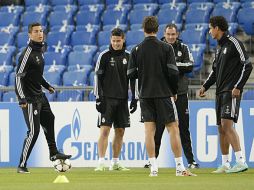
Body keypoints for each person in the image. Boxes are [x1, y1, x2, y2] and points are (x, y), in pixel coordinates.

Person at [127, 16, 196, 177]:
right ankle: (179, 168)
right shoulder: (166, 48)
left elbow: (130, 74)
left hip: (145, 94)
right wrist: (173, 90)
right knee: (173, 128)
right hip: (164, 93)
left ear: (143, 30)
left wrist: (141, 80)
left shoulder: (136, 50)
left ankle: (153, 168)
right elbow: (173, 72)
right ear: (158, 30)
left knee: (149, 131)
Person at [15, 23, 71, 173]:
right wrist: (22, 98)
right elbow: (18, 78)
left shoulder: (41, 49)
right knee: (34, 132)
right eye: (36, 31)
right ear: (29, 34)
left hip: (40, 96)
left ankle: (53, 152)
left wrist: (47, 86)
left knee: (50, 119)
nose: (40, 34)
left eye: (41, 31)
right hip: (30, 100)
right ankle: (22, 164)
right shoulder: (26, 54)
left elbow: (37, 75)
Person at [199, 16, 252, 173]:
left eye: (210, 28)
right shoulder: (218, 48)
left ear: (217, 28)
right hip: (219, 92)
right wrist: (205, 86)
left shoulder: (234, 42)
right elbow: (215, 72)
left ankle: (241, 161)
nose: (209, 31)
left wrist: (238, 86)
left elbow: (247, 66)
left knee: (227, 126)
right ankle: (225, 163)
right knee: (221, 128)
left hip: (231, 92)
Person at [144, 24, 199, 169]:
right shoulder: (159, 46)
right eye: (168, 34)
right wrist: (172, 67)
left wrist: (171, 65)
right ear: (164, 33)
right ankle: (152, 160)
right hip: (162, 93)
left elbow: (190, 66)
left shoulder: (183, 48)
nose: (170, 37)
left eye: (173, 34)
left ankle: (191, 161)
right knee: (158, 128)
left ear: (177, 34)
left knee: (183, 128)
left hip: (180, 93)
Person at [94, 28, 137, 171]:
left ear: (123, 40)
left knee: (120, 131)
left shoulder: (129, 56)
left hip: (123, 100)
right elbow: (97, 78)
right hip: (107, 99)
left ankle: (115, 162)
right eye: (113, 41)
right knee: (104, 131)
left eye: (118, 41)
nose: (116, 43)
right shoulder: (104, 56)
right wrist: (98, 98)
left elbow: (133, 78)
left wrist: (135, 98)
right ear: (110, 40)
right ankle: (101, 162)